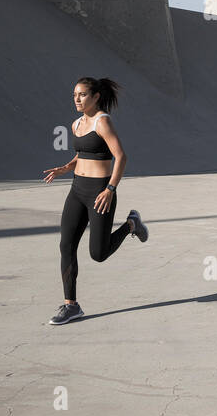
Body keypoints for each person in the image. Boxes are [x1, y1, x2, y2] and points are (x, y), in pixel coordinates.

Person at [41, 77, 148, 324]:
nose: (77, 99)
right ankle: (71, 305)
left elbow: (120, 157)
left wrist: (110, 189)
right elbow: (82, 154)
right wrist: (66, 167)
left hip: (100, 191)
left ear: (96, 96)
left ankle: (131, 224)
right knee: (66, 245)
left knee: (98, 254)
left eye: (82, 95)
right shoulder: (76, 124)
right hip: (77, 189)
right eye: (74, 95)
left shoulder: (103, 122)